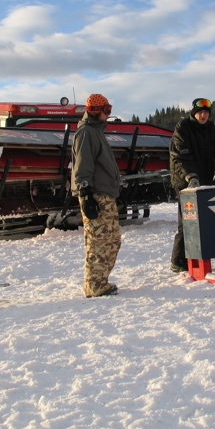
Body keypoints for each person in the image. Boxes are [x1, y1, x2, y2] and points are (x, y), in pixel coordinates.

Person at [169, 98, 215, 273]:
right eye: (200, 112)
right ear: (194, 113)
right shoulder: (183, 128)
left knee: (203, 221)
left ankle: (198, 256)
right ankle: (178, 261)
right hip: (185, 182)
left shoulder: (211, 129)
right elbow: (181, 156)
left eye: (206, 113)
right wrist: (190, 176)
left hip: (204, 180)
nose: (203, 115)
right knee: (187, 221)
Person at [71, 93, 121, 297]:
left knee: (112, 240)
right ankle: (94, 285)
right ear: (95, 111)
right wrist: (86, 195)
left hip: (106, 194)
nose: (109, 115)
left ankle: (101, 281)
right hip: (96, 195)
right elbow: (82, 167)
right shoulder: (86, 133)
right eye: (106, 110)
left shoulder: (96, 132)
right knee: (99, 241)